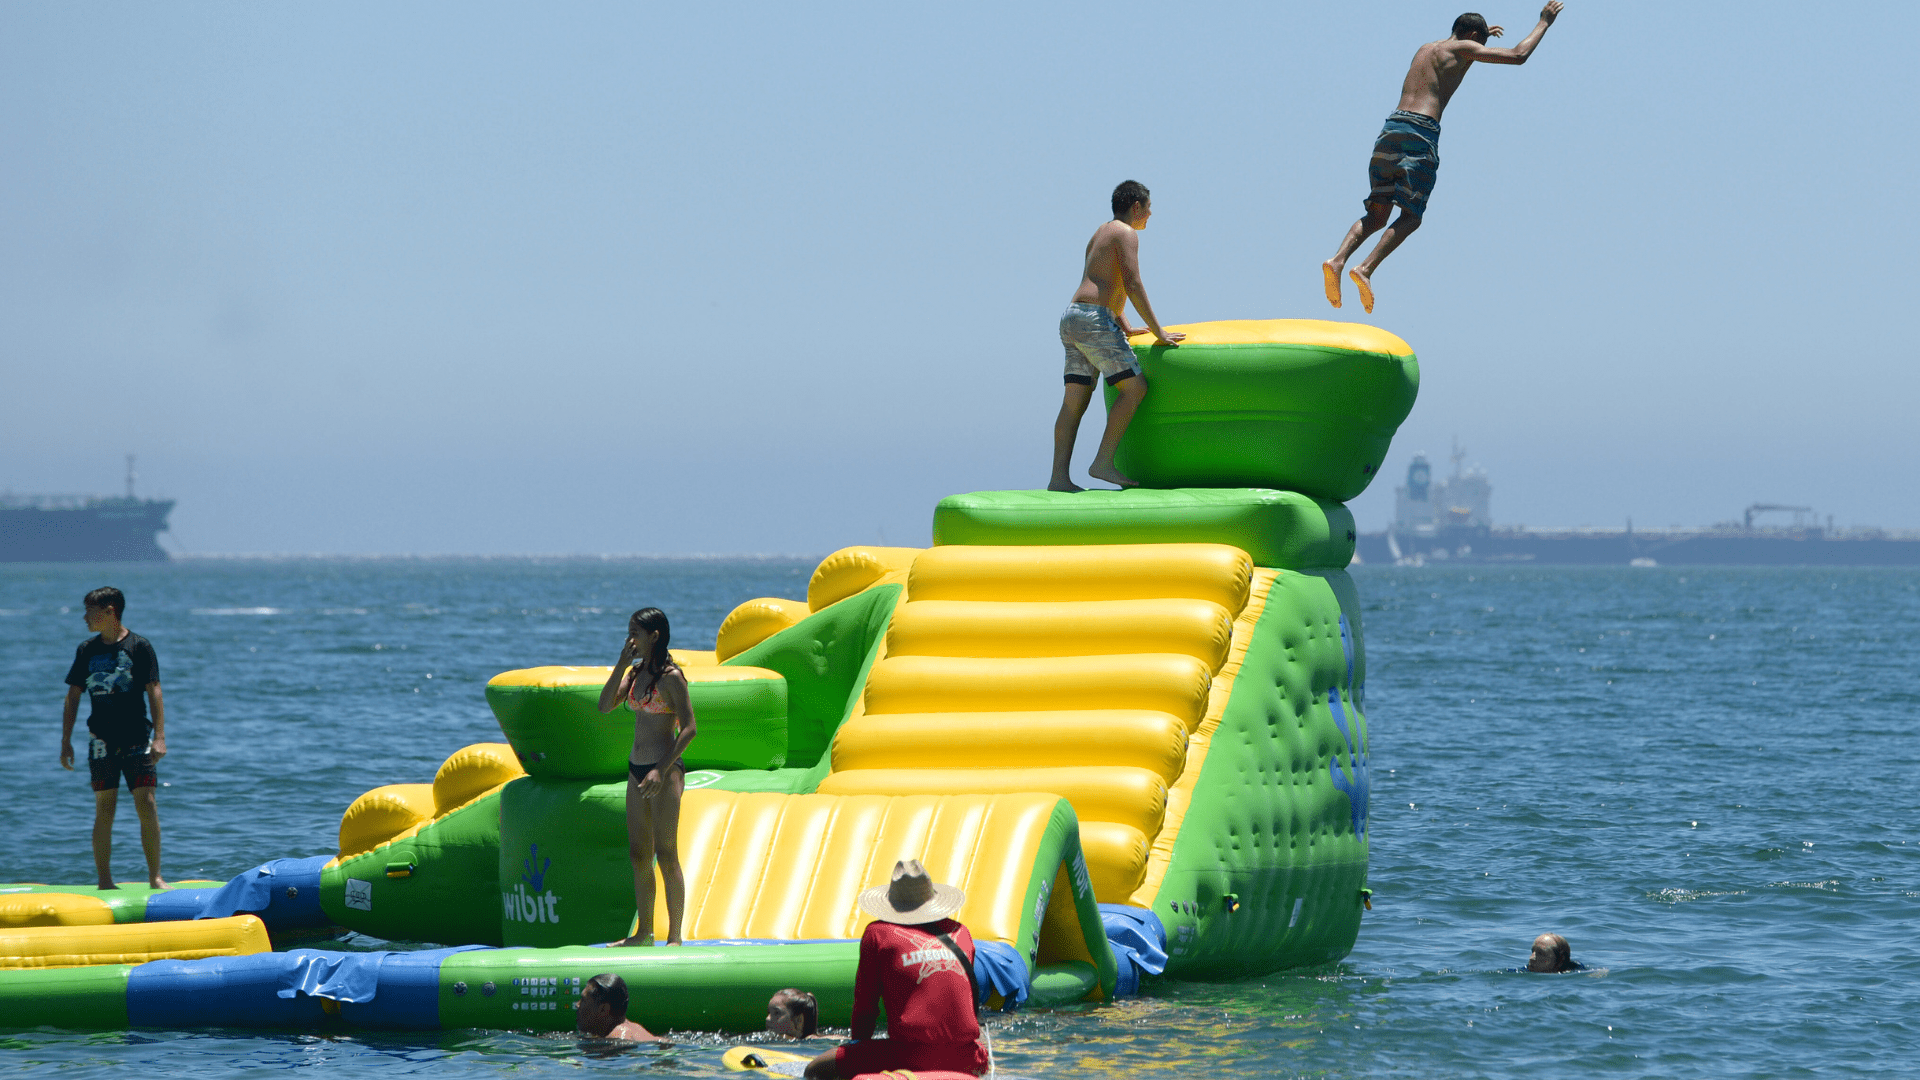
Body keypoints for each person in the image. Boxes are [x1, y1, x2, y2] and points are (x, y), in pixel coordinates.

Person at [1322, 4, 1565, 313]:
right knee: (1411, 215)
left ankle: (1337, 260)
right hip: (1420, 134)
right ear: (1473, 36)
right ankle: (1365, 268)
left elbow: (1457, 51)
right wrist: (1544, 22)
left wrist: (1481, 36)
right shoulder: (1465, 48)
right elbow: (1518, 55)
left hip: (1390, 130)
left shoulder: (1426, 48)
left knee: (1377, 213)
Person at [1050, 179, 1184, 493]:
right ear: (1136, 206)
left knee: (1074, 403)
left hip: (1073, 316)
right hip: (1094, 320)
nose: (1150, 215)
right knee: (1135, 388)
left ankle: (1058, 478)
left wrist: (1123, 324)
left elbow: (1103, 279)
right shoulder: (1126, 233)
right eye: (1148, 209)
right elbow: (1132, 282)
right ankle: (1103, 462)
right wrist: (1157, 330)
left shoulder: (1101, 231)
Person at [804, 859, 989, 1079]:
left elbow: (866, 1006)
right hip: (970, 1058)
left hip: (910, 1057)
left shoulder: (878, 933)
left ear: (892, 903)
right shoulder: (961, 932)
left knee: (815, 1070)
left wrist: (856, 1051)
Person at [596, 607, 697, 947]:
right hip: (636, 768)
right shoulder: (636, 673)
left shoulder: (671, 678)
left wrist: (662, 768)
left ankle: (675, 936)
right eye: (629, 633)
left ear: (654, 636)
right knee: (639, 853)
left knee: (667, 854)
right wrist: (621, 664)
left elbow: (689, 729)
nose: (630, 639)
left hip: (663, 771)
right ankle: (644, 933)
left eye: (635, 634)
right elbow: (604, 705)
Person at [60, 587, 167, 891]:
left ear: (109, 611)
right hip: (100, 741)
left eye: (89, 611)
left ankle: (155, 877)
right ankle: (105, 880)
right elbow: (73, 696)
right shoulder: (86, 650)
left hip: (137, 737)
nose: (84, 617)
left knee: (146, 804)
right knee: (104, 808)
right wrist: (65, 740)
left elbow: (154, 690)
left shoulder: (139, 646)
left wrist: (159, 736)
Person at [575, 972, 661, 1041]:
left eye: (583, 1000)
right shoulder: (636, 1028)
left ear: (603, 1010)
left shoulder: (617, 1039)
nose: (577, 1005)